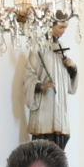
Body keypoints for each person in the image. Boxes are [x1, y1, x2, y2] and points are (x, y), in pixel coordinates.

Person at [22, 13, 77, 149]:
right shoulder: (38, 46)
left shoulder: (61, 47)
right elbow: (28, 73)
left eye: (65, 28)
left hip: (60, 106)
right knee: (43, 150)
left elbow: (69, 86)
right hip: (45, 107)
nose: (63, 31)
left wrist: (72, 68)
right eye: (61, 27)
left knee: (59, 150)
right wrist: (41, 86)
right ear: (51, 26)